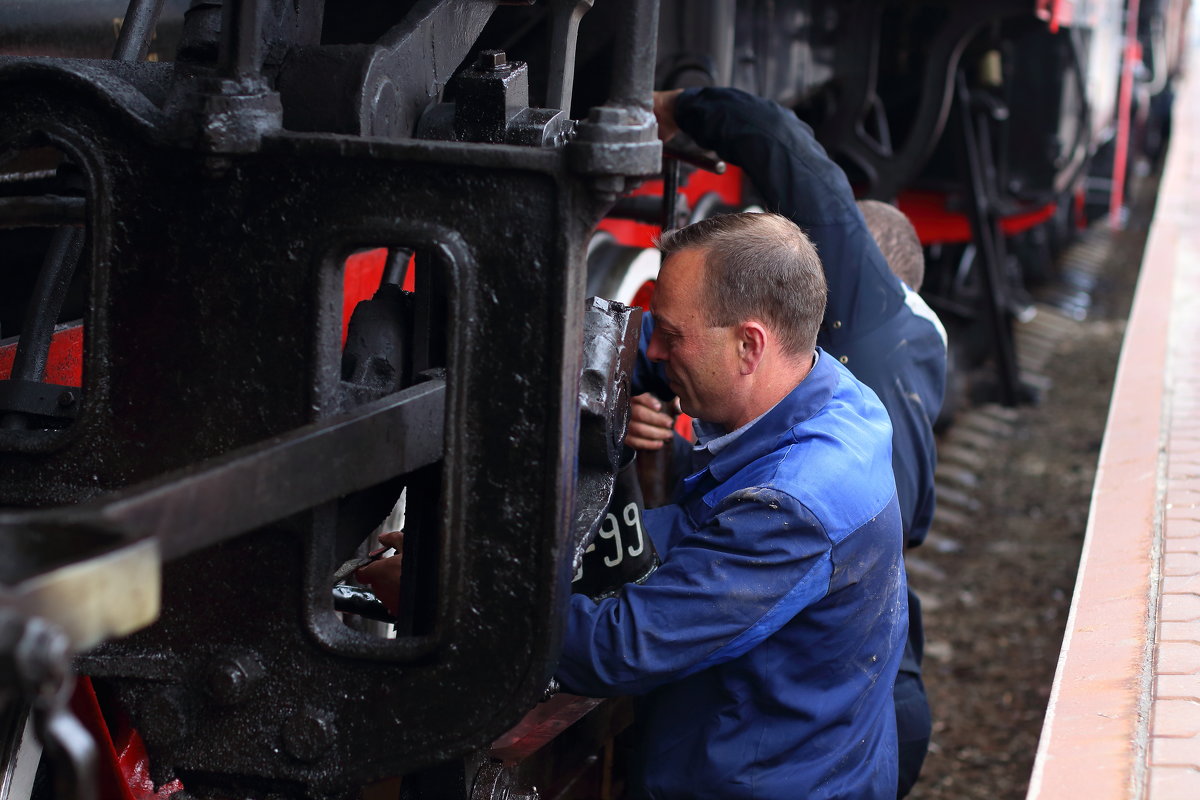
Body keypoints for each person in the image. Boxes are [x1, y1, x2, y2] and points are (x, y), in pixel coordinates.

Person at [629, 87, 948, 798]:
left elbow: (790, 149)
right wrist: (674, 457)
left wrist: (689, 103)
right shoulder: (905, 368)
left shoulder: (861, 312)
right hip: (881, 690)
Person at [556, 211, 908, 799]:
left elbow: (623, 646)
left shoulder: (793, 503)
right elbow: (700, 527)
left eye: (674, 337)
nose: (660, 353)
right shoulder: (835, 396)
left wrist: (452, 598)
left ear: (749, 345)